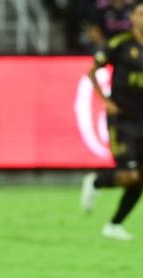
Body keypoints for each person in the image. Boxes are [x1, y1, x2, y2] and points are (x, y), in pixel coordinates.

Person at [81, 1, 143, 240]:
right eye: (139, 13)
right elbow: (92, 70)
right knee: (129, 176)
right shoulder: (120, 44)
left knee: (141, 178)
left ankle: (114, 225)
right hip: (123, 119)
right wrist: (104, 99)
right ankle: (96, 181)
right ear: (132, 18)